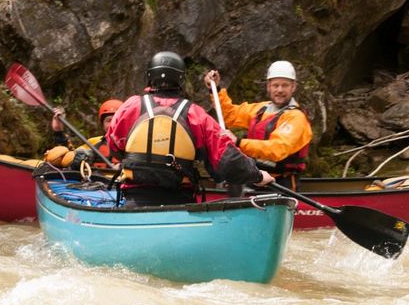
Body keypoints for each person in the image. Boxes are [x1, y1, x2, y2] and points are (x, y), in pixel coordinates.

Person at [105, 51, 275, 206]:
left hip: (135, 200)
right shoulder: (195, 114)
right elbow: (227, 158)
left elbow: (114, 147)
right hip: (179, 203)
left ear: (149, 76)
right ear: (181, 80)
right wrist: (258, 175)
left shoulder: (131, 107)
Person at [201, 60, 313, 190]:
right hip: (256, 177)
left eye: (285, 85)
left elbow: (277, 149)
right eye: (275, 85)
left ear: (293, 87)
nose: (280, 90)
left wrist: (238, 142)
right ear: (268, 86)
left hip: (280, 182)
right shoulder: (261, 109)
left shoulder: (296, 117)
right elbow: (230, 114)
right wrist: (215, 89)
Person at [43, 98, 124, 171]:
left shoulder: (132, 144)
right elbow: (70, 156)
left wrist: (124, 167)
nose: (112, 124)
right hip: (95, 183)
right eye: (108, 120)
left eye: (116, 120)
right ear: (102, 124)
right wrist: (58, 131)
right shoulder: (94, 142)